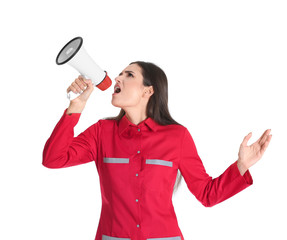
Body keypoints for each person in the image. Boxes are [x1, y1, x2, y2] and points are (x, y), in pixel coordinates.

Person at [43, 61, 272, 240]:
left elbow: (207, 194)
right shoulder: (102, 132)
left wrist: (242, 166)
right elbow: (53, 159)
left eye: (129, 75)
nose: (117, 78)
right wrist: (76, 107)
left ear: (148, 91)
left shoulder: (177, 136)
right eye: (120, 74)